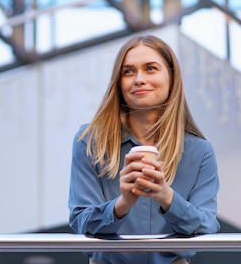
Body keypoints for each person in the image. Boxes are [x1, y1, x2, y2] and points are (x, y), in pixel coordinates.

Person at [68, 34, 220, 264]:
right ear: (119, 83)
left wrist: (166, 197)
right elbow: (81, 222)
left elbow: (206, 227)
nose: (139, 79)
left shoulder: (200, 152)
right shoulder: (89, 142)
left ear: (171, 78)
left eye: (150, 68)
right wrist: (123, 204)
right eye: (128, 71)